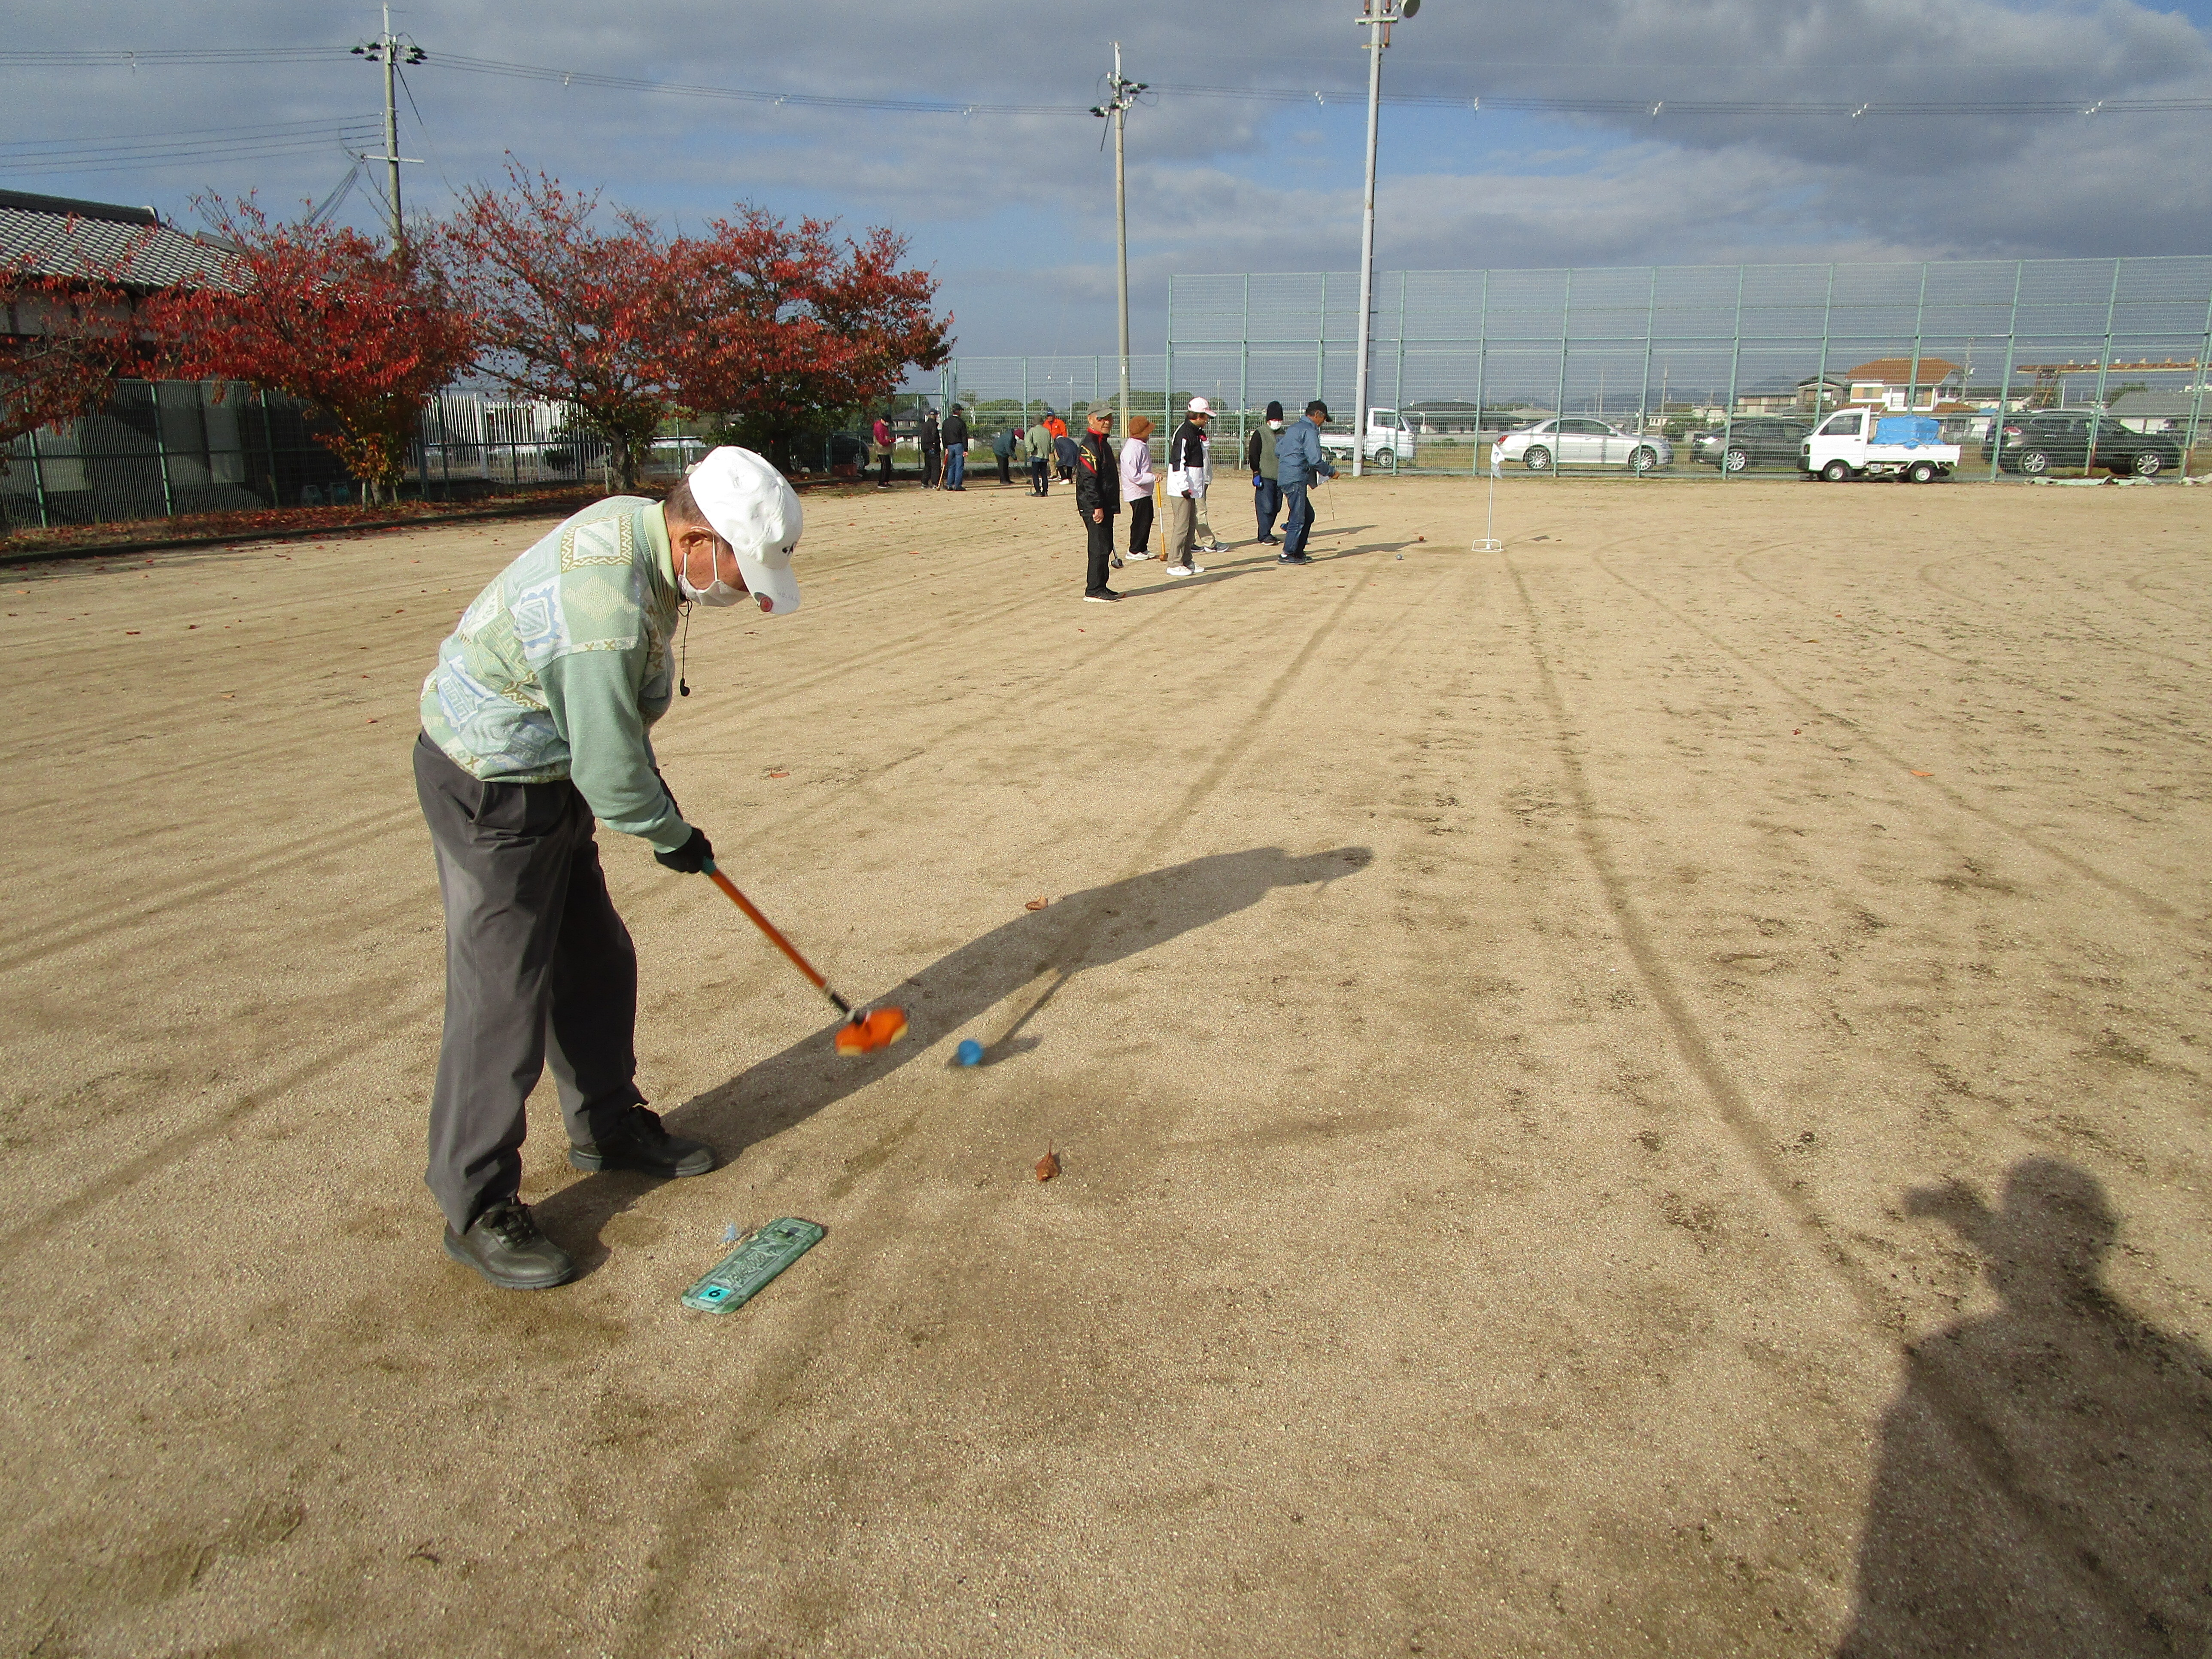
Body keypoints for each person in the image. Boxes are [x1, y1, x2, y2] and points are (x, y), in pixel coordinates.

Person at [414, 447, 805, 1291]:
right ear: (698, 538)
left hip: (546, 768)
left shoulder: (646, 537)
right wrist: (671, 832)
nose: (742, 589)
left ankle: (604, 1126)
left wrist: (657, 808)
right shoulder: (604, 605)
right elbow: (610, 766)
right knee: (502, 997)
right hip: (491, 781)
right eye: (743, 567)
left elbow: (612, 736)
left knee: (594, 959)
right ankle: (475, 1203)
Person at [1275, 398, 1335, 565]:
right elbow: (1315, 459)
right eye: (1323, 419)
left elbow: (1278, 451)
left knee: (1308, 515)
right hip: (1296, 479)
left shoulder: (1293, 429)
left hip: (1286, 477)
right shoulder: (1309, 431)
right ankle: (1287, 554)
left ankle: (1298, 551)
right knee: (1298, 518)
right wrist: (1331, 472)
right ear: (1317, 415)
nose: (1323, 423)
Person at [1073, 406, 1121, 603]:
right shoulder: (1090, 445)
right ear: (1090, 420)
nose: (1107, 422)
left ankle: (1102, 585)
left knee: (1106, 545)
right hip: (1094, 505)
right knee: (1099, 546)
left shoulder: (1103, 443)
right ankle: (1093, 589)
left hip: (1105, 503)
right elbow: (1088, 479)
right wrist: (1097, 506)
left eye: (1109, 418)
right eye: (1101, 418)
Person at [1162, 396, 1211, 577]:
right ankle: (1174, 562)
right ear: (1198, 416)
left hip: (1192, 487)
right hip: (1181, 488)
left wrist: (1204, 442)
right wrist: (1184, 486)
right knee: (1182, 526)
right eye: (1205, 417)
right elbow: (1178, 462)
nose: (1207, 420)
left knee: (1191, 525)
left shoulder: (1196, 433)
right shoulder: (1184, 433)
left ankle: (1187, 560)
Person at [1246, 400, 1285, 544]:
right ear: (1268, 420)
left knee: (1277, 506)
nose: (1277, 422)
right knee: (1266, 506)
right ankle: (1263, 535)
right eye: (1274, 420)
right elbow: (1253, 454)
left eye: (1279, 420)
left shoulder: (1283, 434)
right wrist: (1256, 472)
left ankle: (1268, 532)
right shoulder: (1260, 433)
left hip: (1280, 477)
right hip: (1265, 476)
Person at [1121, 415, 1157, 562]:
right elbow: (1134, 476)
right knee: (1140, 520)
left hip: (1144, 491)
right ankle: (1134, 549)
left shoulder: (1140, 446)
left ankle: (1142, 547)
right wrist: (1153, 477)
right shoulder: (1132, 449)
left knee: (1147, 518)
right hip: (1136, 492)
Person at [941, 403, 969, 490]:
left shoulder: (946, 422)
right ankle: (957, 485)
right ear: (959, 412)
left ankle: (949, 484)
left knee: (951, 466)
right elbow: (964, 436)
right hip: (959, 445)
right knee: (959, 466)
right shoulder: (961, 422)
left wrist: (945, 447)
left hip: (949, 446)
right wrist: (965, 449)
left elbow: (944, 435)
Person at [1024, 412, 1054, 495]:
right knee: (1044, 473)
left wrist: (1031, 449)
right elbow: (1052, 444)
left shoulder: (1032, 431)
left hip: (1036, 455)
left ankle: (1038, 491)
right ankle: (1045, 491)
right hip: (1045, 456)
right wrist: (1050, 451)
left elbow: (1028, 441)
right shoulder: (1047, 431)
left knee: (1035, 474)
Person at [919, 404, 942, 489]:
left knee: (928, 465)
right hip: (933, 447)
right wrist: (935, 445)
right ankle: (935, 483)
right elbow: (934, 436)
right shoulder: (933, 425)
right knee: (936, 466)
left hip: (926, 448)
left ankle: (924, 482)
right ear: (935, 416)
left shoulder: (925, 425)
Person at [871, 410, 893, 489]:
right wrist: (889, 441)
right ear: (883, 420)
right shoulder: (879, 427)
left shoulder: (883, 426)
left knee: (888, 465)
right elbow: (881, 440)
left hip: (885, 448)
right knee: (885, 465)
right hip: (881, 448)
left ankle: (886, 481)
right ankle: (882, 482)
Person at [992, 422, 1016, 486]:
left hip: (1003, 451)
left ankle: (1007, 479)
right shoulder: (1009, 437)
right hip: (999, 450)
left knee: (1006, 464)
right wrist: (1013, 456)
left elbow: (1012, 447)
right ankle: (1003, 480)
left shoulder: (1013, 437)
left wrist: (1013, 454)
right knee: (1002, 465)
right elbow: (1008, 448)